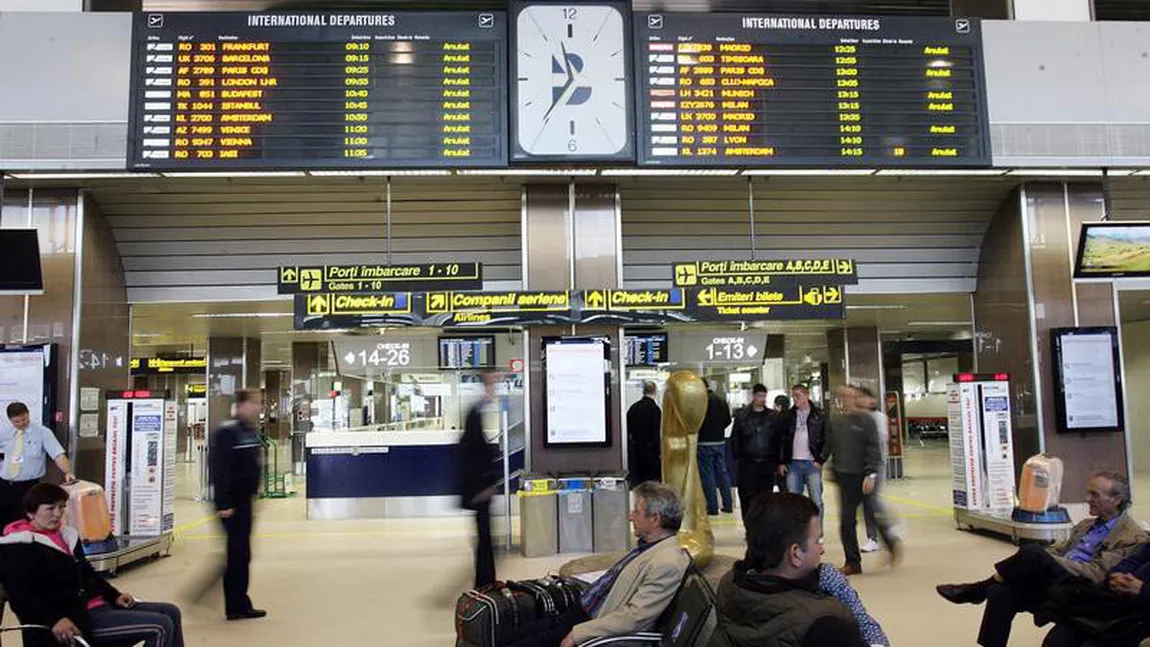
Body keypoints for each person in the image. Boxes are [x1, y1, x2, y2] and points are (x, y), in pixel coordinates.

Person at [937, 470, 1145, 647]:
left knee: (1034, 552)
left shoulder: (1132, 536)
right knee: (1000, 592)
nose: (1088, 499)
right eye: (1088, 493)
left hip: (1083, 587)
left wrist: (1050, 561)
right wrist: (1049, 560)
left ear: (1117, 500)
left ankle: (977, 590)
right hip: (1058, 580)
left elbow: (1098, 572)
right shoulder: (1085, 525)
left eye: (1095, 494)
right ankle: (986, 597)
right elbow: (1058, 549)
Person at [504, 481, 690, 647]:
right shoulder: (648, 547)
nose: (630, 517)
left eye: (636, 512)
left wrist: (578, 634)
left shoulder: (667, 562)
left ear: (655, 519)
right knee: (512, 634)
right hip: (579, 612)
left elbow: (633, 618)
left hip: (591, 626)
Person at [0, 483, 184, 647]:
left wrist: (114, 595)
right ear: (31, 512)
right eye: (50, 509)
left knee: (171, 612)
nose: (58, 514)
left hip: (96, 605)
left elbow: (87, 573)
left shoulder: (66, 536)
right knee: (161, 627)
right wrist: (54, 620)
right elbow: (22, 597)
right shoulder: (19, 547)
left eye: (62, 508)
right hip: (76, 619)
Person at [707, 492, 867, 647]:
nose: (821, 549)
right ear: (795, 554)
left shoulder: (728, 584)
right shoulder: (826, 625)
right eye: (817, 541)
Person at [826, 386, 901, 576]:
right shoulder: (838, 422)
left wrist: (871, 474)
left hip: (863, 477)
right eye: (843, 397)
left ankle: (891, 544)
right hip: (845, 478)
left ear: (856, 398)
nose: (846, 400)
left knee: (872, 514)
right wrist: (832, 469)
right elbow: (834, 448)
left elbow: (873, 449)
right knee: (846, 521)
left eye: (850, 396)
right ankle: (853, 563)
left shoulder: (866, 421)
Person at [208, 389, 266, 621]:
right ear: (241, 405)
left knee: (242, 554)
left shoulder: (248, 431)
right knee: (237, 554)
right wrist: (223, 502)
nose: (258, 407)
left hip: (245, 502)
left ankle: (240, 601)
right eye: (255, 403)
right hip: (231, 504)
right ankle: (235, 605)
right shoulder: (227, 433)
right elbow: (219, 469)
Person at [0, 402, 75, 526]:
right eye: (16, 422)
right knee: (3, 523)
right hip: (5, 485)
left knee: (25, 523)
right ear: (10, 420)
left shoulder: (43, 433)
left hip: (29, 487)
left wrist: (68, 472)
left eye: (24, 419)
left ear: (28, 414)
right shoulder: (4, 432)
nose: (21, 424)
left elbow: (58, 455)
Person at [458, 371, 500, 589]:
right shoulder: (474, 414)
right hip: (478, 489)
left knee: (485, 538)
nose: (495, 388)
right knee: (484, 538)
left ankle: (486, 581)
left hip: (478, 488)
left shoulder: (476, 413)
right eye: (492, 383)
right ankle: (484, 583)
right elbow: (473, 454)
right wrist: (482, 487)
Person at [775, 385, 829, 526]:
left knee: (816, 500)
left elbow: (828, 439)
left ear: (807, 395)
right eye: (793, 396)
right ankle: (798, 532)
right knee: (794, 501)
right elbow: (781, 439)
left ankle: (817, 532)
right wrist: (781, 462)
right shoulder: (788, 416)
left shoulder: (819, 415)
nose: (795, 399)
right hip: (793, 464)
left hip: (812, 463)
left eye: (798, 395)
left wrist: (821, 459)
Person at [730, 384, 778, 523]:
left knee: (765, 499)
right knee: (747, 497)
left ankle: (763, 528)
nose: (761, 399)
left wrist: (775, 460)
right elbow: (735, 437)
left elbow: (776, 439)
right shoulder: (742, 416)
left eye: (763, 396)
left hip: (766, 463)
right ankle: (750, 527)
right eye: (759, 396)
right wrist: (738, 456)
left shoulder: (772, 416)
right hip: (747, 463)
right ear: (753, 396)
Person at [856, 387, 891, 554]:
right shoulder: (858, 418)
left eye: (865, 398)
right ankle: (881, 531)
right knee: (866, 503)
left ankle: (876, 536)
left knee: (871, 502)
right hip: (860, 466)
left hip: (876, 465)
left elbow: (880, 440)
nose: (862, 401)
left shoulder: (878, 418)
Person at [697, 378, 733, 516]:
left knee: (708, 475)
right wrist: (718, 430)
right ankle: (728, 504)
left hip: (704, 443)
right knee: (722, 473)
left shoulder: (700, 402)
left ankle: (712, 507)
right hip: (719, 442)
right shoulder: (720, 400)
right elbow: (728, 420)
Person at [626, 381, 662, 487]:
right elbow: (657, 431)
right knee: (652, 483)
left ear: (643, 391)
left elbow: (627, 429)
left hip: (636, 452)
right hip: (652, 452)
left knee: (638, 483)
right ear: (655, 392)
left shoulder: (634, 408)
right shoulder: (656, 410)